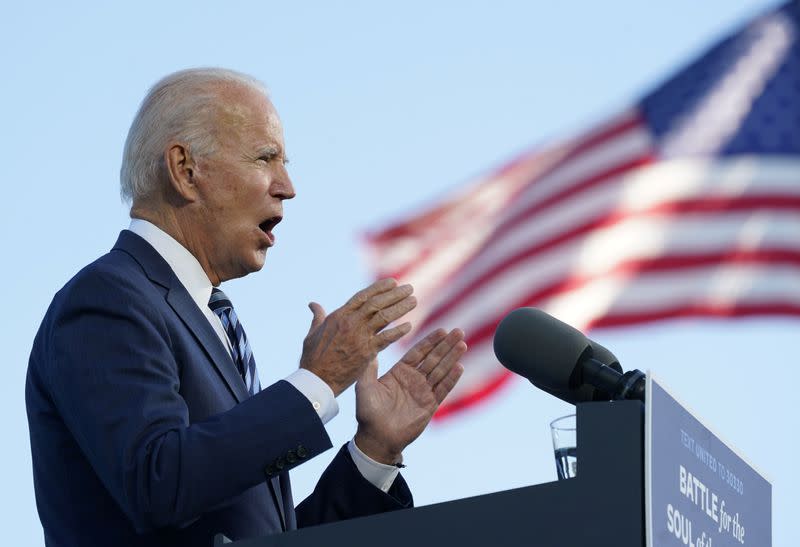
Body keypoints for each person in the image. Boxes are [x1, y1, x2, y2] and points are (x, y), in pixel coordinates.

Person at [25, 68, 467, 547]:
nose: (288, 186)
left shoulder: (206, 317)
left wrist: (374, 451)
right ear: (185, 170)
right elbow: (158, 485)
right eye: (266, 158)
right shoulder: (109, 298)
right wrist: (316, 383)